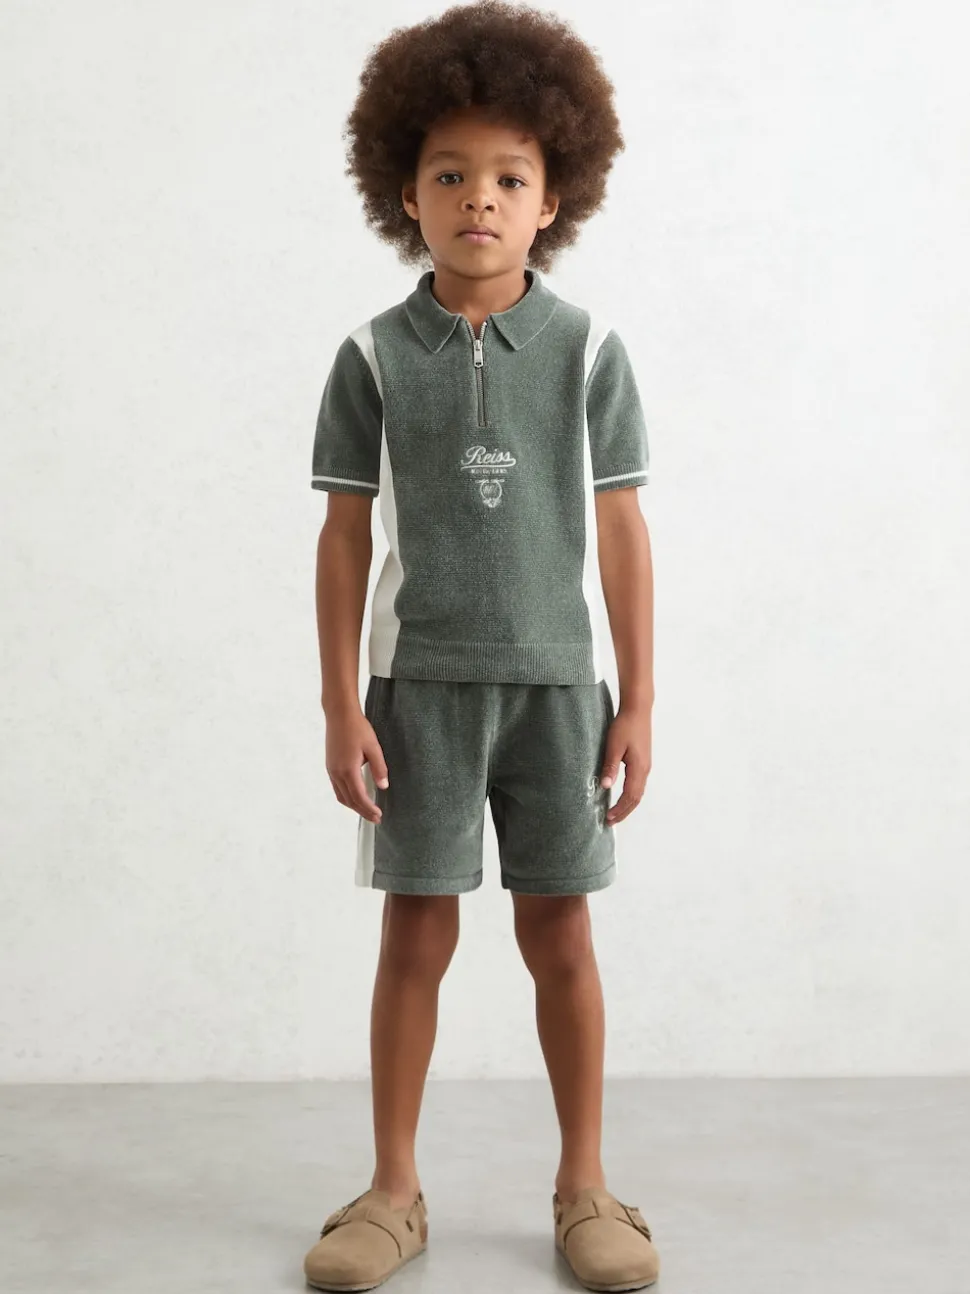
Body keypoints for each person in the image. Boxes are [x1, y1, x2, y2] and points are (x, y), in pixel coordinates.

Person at [304, 2, 658, 1289]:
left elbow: (620, 529)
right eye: (449, 175)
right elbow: (345, 536)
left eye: (509, 176)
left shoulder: (588, 349)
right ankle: (392, 1190)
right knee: (415, 934)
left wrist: (638, 701)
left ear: (553, 196)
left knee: (560, 934)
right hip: (419, 693)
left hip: (559, 691)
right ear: (404, 192)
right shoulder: (369, 355)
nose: (478, 199)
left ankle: (586, 1186)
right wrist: (342, 704)